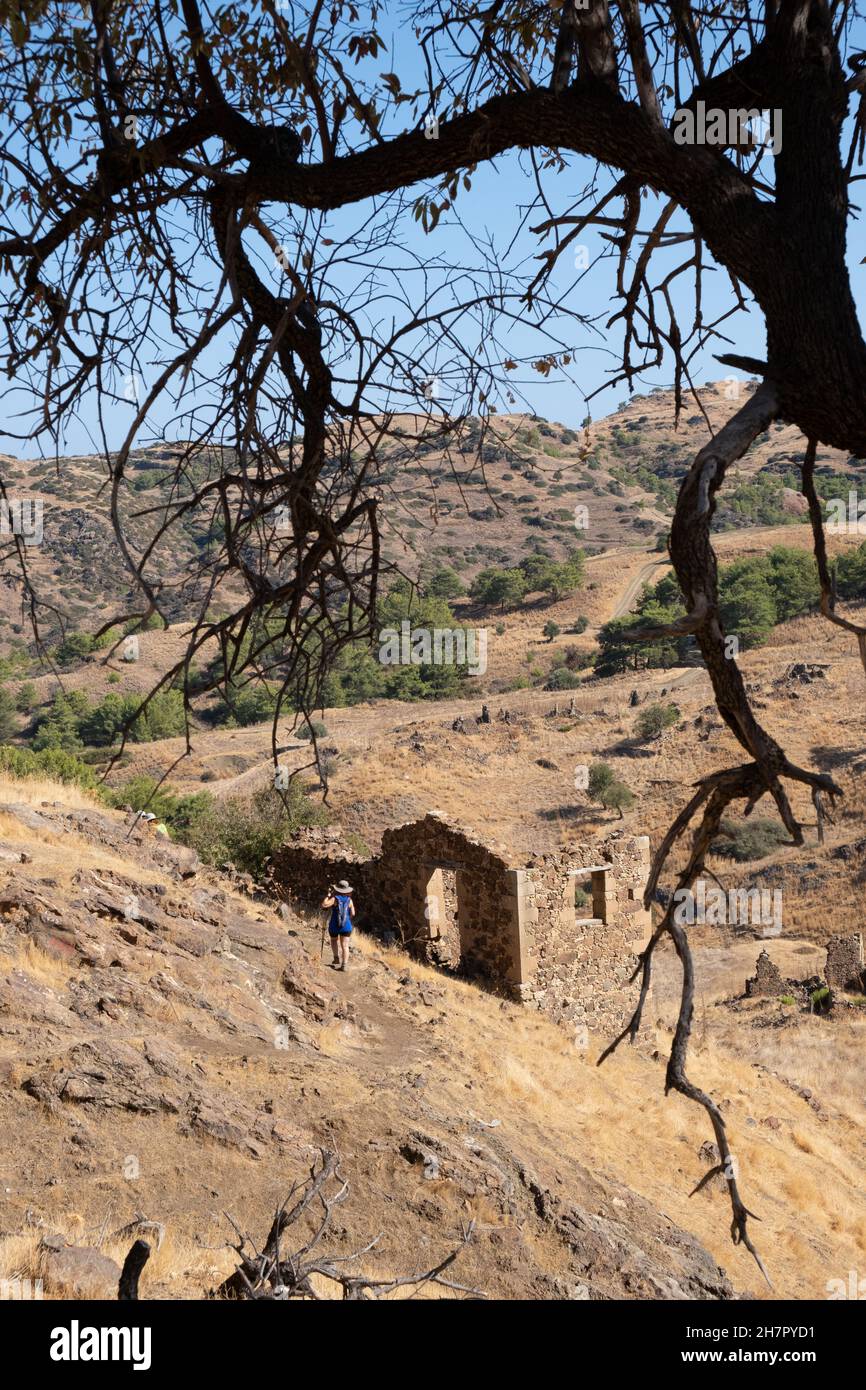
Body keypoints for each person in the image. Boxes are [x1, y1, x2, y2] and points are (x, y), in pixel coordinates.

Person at [321, 880, 355, 971]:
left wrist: (328, 896)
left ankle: (336, 958)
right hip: (346, 926)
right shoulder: (349, 900)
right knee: (345, 945)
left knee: (333, 941)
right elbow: (353, 913)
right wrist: (347, 919)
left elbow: (324, 905)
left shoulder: (335, 899)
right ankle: (344, 965)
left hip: (334, 925)